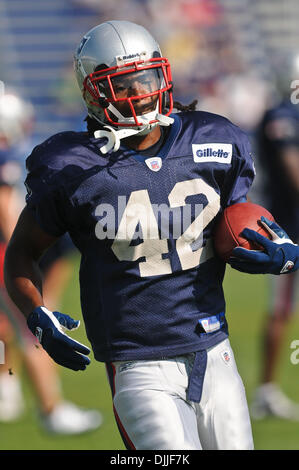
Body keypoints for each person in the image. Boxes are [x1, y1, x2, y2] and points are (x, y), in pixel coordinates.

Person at [3, 21, 299, 450]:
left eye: (147, 77)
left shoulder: (213, 140)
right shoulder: (70, 165)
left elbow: (242, 219)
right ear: (93, 92)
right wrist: (35, 312)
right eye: (123, 84)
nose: (140, 91)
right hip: (137, 362)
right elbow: (22, 252)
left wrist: (284, 248)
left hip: (216, 351)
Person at [0, 92, 102, 434]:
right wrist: (24, 248)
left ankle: (6, 387)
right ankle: (51, 410)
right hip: (5, 251)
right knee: (34, 329)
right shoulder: (5, 156)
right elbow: (5, 206)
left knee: (9, 328)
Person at [249, 56, 299, 421]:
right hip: (290, 229)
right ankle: (265, 390)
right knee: (281, 311)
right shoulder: (282, 115)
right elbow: (293, 172)